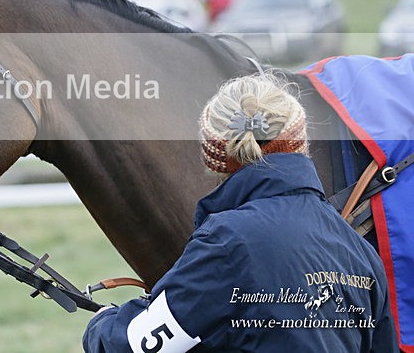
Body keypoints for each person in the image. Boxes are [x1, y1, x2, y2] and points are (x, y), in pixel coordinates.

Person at [83, 74, 397, 352]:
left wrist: (103, 325)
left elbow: (132, 347)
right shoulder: (361, 253)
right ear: (300, 142)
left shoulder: (228, 243)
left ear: (214, 157)